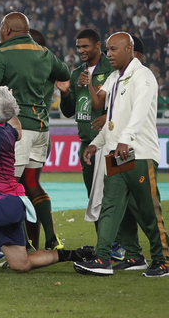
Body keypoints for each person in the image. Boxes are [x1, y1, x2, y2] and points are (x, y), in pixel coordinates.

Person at [0, 88, 93, 276]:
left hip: (2, 201)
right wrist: (9, 106)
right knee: (21, 264)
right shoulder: (8, 129)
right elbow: (18, 131)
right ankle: (76, 254)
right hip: (13, 201)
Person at [75, 32, 168, 277]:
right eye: (107, 50)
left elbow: (139, 113)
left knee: (148, 210)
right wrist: (96, 143)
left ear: (130, 49)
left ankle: (164, 259)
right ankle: (104, 258)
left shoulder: (143, 76)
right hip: (118, 153)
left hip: (139, 153)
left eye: (114, 49)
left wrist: (125, 140)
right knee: (112, 206)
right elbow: (110, 117)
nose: (109, 54)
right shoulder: (115, 77)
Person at [0, 13, 71, 251]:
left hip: (18, 129)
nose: (0, 31)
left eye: (1, 27)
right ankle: (47, 239)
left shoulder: (2, 54)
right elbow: (65, 74)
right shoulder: (44, 53)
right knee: (32, 184)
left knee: (4, 190)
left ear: (7, 29)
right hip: (42, 128)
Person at [57, 30, 120, 243]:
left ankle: (121, 243)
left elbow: (122, 102)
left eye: (85, 46)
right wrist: (65, 93)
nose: (81, 50)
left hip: (110, 143)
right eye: (78, 47)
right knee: (94, 198)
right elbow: (68, 111)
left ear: (97, 45)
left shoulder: (112, 69)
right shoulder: (76, 74)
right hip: (87, 144)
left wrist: (107, 116)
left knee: (114, 196)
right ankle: (105, 244)